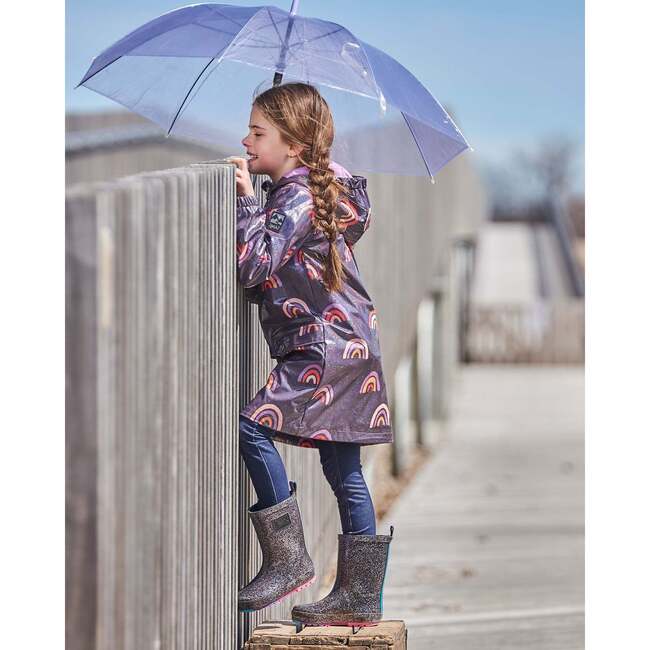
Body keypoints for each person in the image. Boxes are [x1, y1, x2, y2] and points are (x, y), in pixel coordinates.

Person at [230, 82, 394, 627]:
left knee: (252, 427)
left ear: (295, 146)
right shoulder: (316, 189)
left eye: (258, 133)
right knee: (343, 467)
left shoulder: (296, 196)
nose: (246, 141)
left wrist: (246, 201)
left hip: (321, 347)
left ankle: (287, 557)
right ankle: (359, 598)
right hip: (350, 344)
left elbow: (254, 266)